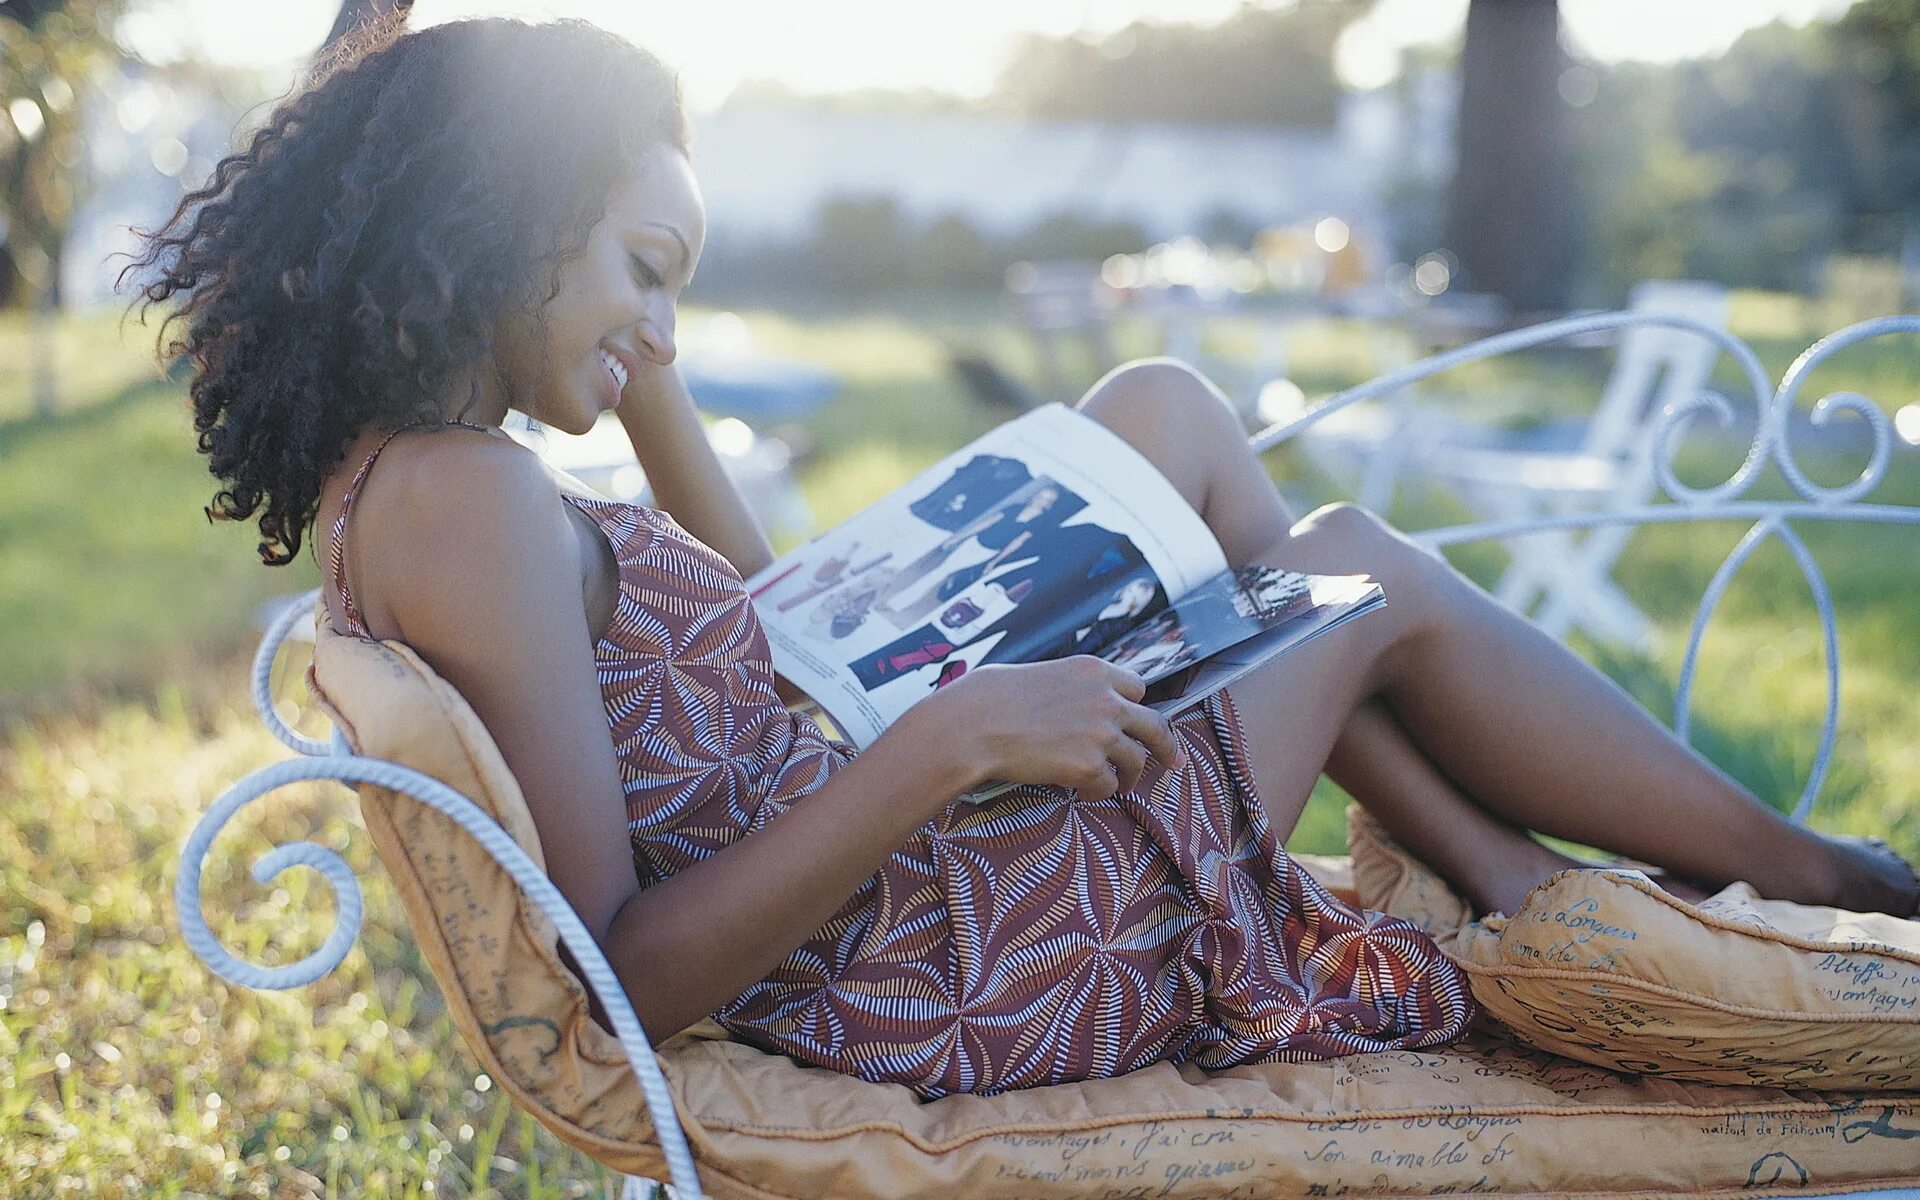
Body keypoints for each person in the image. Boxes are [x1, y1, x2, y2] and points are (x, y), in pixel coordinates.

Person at [128, 16, 1920, 1102]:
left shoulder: (437, 478)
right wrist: (959, 741)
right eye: (647, 268)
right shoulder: (472, 502)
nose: (663, 322)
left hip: (883, 861)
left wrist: (642, 382)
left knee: (1165, 412)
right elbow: (617, 973)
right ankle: (1782, 869)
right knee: (1345, 563)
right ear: (509, 230)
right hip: (951, 958)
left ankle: (1510, 872)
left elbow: (756, 649)